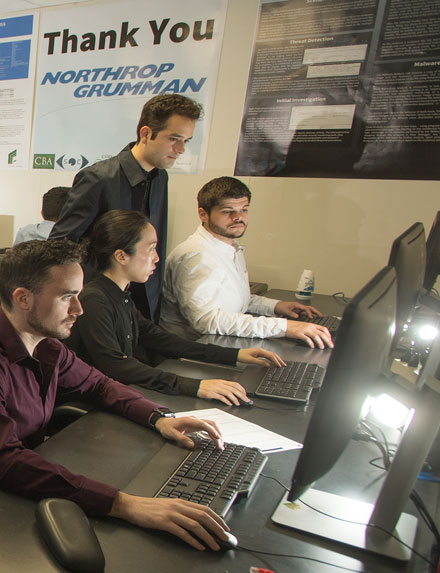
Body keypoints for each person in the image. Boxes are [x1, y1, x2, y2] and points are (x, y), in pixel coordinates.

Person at [0, 239, 234, 551]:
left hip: (17, 473)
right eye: (67, 297)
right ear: (23, 298)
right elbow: (1, 461)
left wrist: (158, 417)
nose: (78, 309)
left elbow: (101, 386)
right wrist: (125, 505)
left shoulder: (47, 345)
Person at [66, 210, 285, 406]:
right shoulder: (95, 300)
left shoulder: (119, 295)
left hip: (119, 396)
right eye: (151, 249)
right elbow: (116, 366)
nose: (157, 258)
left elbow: (160, 338)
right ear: (121, 256)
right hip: (94, 405)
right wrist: (195, 386)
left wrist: (234, 355)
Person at [49, 94, 203, 322]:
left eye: (186, 141)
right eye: (174, 139)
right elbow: (60, 246)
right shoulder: (98, 178)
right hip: (98, 305)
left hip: (142, 303)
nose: (181, 149)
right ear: (146, 133)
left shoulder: (160, 177)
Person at [160, 177, 332, 349]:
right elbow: (206, 320)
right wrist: (284, 327)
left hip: (219, 343)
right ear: (203, 214)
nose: (238, 217)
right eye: (228, 211)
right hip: (192, 353)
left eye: (244, 210)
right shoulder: (197, 256)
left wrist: (276, 307)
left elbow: (233, 302)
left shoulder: (228, 246)